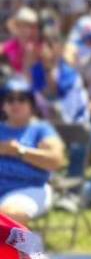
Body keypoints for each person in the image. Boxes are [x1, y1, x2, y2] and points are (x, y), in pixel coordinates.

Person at [0, 79, 65, 225]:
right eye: (10, 99)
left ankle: (24, 246)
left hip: (30, 188)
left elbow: (56, 161)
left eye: (22, 99)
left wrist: (19, 151)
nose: (16, 104)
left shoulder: (41, 129)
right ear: (3, 105)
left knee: (8, 215)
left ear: (31, 104)